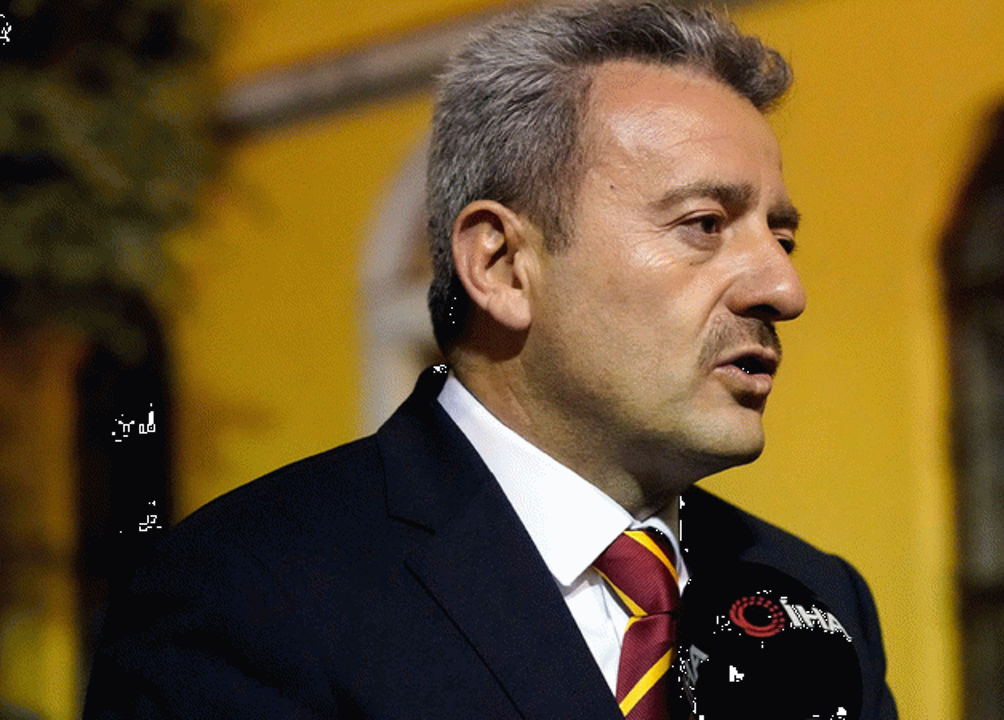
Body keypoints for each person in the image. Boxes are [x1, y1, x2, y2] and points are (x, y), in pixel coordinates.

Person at [82, 2, 897, 718]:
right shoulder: (250, 593)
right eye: (705, 225)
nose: (783, 289)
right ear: (502, 265)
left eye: (781, 238)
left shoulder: (815, 601)